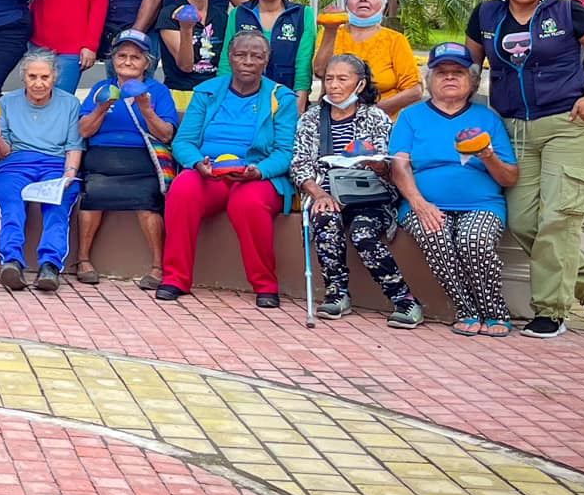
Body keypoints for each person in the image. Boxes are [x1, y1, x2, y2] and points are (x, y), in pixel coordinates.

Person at [465, 0, 584, 336]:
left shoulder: (569, 13)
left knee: (558, 218)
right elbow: (470, 67)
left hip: (568, 126)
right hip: (514, 129)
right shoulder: (486, 15)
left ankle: (551, 312)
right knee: (522, 220)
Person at [390, 42, 521, 336]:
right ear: (430, 80)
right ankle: (467, 309)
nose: (449, 77)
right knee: (435, 235)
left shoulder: (487, 118)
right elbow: (399, 167)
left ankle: (494, 311)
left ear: (471, 81)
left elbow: (510, 177)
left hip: (481, 204)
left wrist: (487, 156)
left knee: (473, 240)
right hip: (423, 203)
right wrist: (420, 203)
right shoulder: (411, 116)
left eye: (458, 72)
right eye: (441, 72)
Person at [159, 29, 295, 308]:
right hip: (210, 173)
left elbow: (285, 152)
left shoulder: (282, 98)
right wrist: (198, 163)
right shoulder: (207, 92)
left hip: (257, 176)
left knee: (247, 203)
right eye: (241, 55)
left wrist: (258, 171)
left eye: (256, 56)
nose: (248, 62)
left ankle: (265, 285)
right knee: (183, 188)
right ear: (230, 57)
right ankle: (175, 278)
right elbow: (184, 141)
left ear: (266, 60)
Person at [291, 54, 415, 325]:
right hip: (326, 193)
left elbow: (390, 165)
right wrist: (319, 194)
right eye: (329, 79)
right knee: (325, 217)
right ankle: (337, 293)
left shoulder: (376, 117)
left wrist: (377, 165)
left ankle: (404, 300)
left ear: (360, 84)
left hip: (370, 195)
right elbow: (300, 165)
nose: (334, 85)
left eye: (342, 79)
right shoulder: (312, 118)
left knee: (362, 232)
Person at [69, 30, 179, 290]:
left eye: (135, 57)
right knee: (93, 194)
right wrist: (101, 108)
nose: (128, 61)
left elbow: (166, 134)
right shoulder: (101, 88)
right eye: (122, 56)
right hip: (102, 157)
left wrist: (146, 110)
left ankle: (157, 266)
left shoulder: (158, 91)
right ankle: (83, 260)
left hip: (142, 159)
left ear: (146, 63)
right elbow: (84, 131)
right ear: (113, 60)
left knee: (147, 202)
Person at [0, 47, 83, 291]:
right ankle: (11, 262)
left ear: (54, 77)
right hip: (15, 165)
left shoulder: (70, 103)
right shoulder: (7, 102)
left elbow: (74, 145)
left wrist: (69, 175)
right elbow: (3, 152)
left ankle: (50, 266)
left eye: (45, 77)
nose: (38, 83)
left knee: (58, 206)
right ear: (23, 77)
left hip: (55, 164)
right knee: (13, 206)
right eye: (32, 77)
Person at [314, 0, 422, 115]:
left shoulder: (395, 40)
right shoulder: (332, 32)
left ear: (383, 3)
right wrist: (330, 29)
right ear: (347, 3)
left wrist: (373, 113)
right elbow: (320, 71)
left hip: (383, 119)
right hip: (334, 117)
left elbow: (415, 91)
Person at [221, 0, 316, 107]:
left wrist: (298, 107)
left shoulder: (302, 15)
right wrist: (224, 101)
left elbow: (303, 65)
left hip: (286, 100)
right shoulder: (239, 13)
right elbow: (226, 61)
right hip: (243, 101)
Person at [156, 0, 231, 102]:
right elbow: (185, 66)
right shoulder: (171, 14)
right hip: (181, 91)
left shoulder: (222, 17)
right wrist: (186, 29)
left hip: (215, 91)